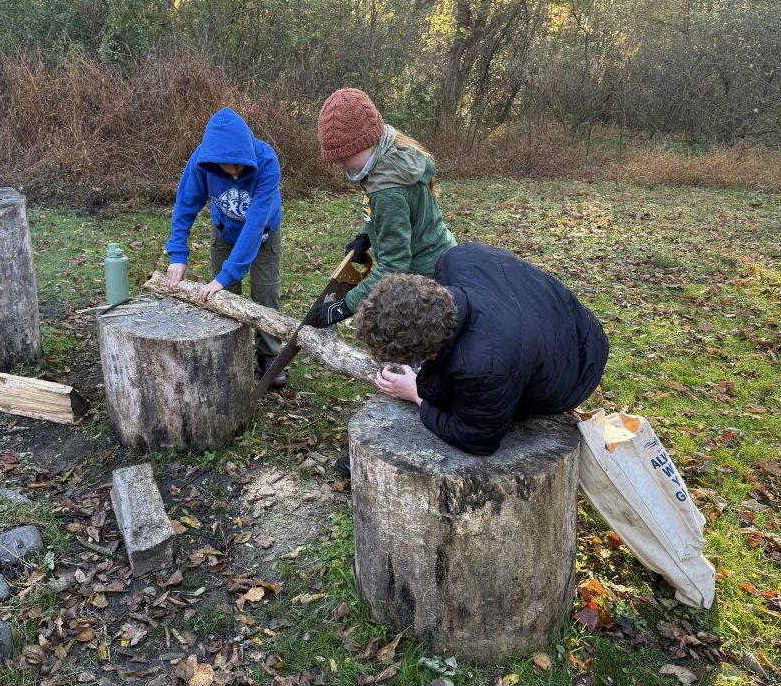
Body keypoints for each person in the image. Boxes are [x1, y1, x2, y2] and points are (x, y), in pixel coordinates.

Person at [355, 242, 609, 457]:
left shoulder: (484, 367)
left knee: (448, 395)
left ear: (428, 353)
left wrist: (415, 394)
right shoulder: (460, 258)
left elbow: (477, 438)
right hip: (570, 321)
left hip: (578, 370)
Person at [313, 88, 457, 328]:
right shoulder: (388, 158)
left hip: (426, 278)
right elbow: (390, 215)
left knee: (412, 343)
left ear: (364, 143)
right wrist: (365, 236)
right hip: (435, 260)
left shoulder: (388, 190)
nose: (338, 164)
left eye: (344, 156)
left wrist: (347, 304)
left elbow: (394, 267)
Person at [165, 107, 285, 386]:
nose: (232, 172)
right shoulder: (201, 160)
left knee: (266, 292)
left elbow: (255, 223)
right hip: (224, 231)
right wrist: (178, 253)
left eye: (238, 165)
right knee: (225, 296)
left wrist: (226, 274)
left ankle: (269, 354)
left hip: (264, 233)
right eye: (225, 166)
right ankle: (231, 351)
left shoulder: (266, 160)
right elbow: (185, 204)